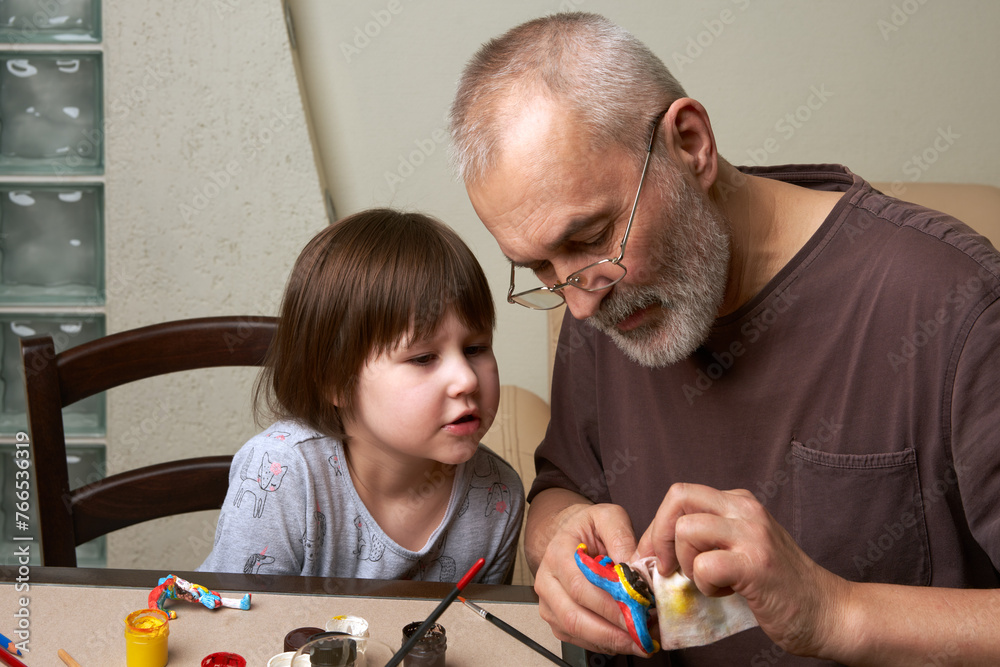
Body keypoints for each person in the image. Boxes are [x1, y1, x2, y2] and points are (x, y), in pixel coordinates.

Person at [450, 12, 1000, 666]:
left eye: (591, 236)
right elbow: (564, 484)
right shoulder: (602, 301)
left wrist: (837, 609)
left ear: (691, 142)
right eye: (540, 266)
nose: (578, 301)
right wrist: (558, 536)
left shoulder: (952, 303)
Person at [198, 208, 524, 584]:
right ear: (335, 380)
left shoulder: (498, 494)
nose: (466, 380)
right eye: (422, 358)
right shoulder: (282, 473)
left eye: (476, 348)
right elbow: (235, 623)